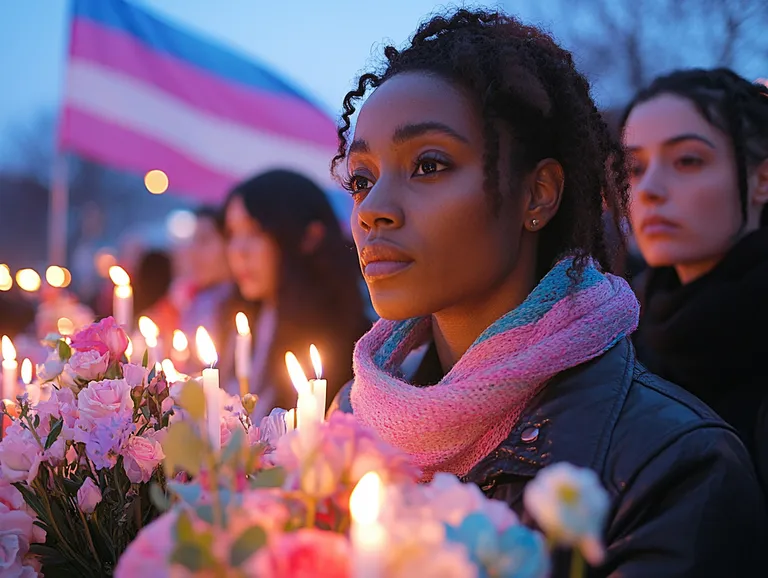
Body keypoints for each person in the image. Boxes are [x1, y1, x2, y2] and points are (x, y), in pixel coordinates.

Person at [329, 10, 766, 577]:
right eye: (361, 178)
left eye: (428, 164)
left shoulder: (673, 464)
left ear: (538, 194)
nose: (373, 210)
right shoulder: (346, 421)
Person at [621, 68, 768, 478]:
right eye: (634, 168)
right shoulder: (620, 334)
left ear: (763, 180)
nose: (649, 189)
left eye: (687, 160)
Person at [220, 169, 370, 415]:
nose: (238, 251)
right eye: (233, 233)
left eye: (256, 232)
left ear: (309, 237)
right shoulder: (242, 320)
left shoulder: (348, 346)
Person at [179, 206, 233, 353]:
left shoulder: (247, 308)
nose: (193, 252)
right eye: (193, 241)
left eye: (204, 241)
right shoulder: (197, 302)